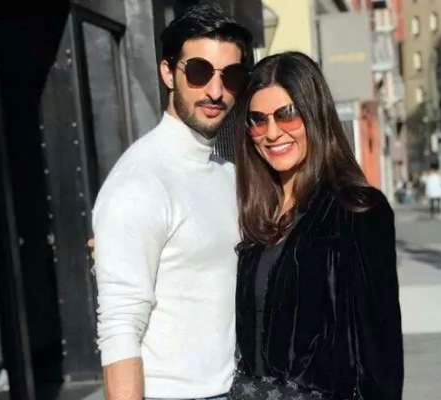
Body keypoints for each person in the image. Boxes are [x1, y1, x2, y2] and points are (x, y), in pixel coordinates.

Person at [91, 4, 252, 400]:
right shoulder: (139, 182)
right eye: (198, 72)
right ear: (167, 73)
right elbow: (120, 326)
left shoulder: (226, 172)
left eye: (230, 76)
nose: (215, 91)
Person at [230, 52, 403, 399]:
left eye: (287, 114)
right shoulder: (254, 212)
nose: (272, 133)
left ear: (314, 114)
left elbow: (380, 350)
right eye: (258, 120)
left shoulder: (357, 210)